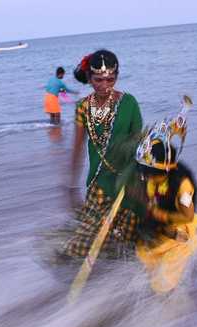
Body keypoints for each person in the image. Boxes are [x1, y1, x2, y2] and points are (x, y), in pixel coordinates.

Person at [60, 49, 144, 260]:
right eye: (98, 79)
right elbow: (78, 148)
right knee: (81, 248)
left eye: (110, 79)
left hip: (130, 186)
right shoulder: (83, 108)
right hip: (100, 185)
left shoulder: (129, 103)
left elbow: (140, 145)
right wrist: (71, 187)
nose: (105, 85)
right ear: (89, 78)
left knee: (127, 245)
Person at [134, 104, 197, 294]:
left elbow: (187, 215)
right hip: (161, 221)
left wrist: (162, 216)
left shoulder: (182, 187)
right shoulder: (152, 178)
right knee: (144, 254)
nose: (144, 176)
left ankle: (171, 295)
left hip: (179, 224)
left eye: (148, 172)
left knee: (165, 281)